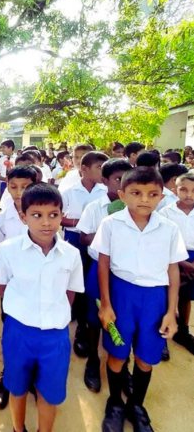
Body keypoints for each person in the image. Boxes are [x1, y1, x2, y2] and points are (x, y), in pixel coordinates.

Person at [91, 167, 186, 432]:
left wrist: (171, 310)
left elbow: (172, 269)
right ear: (122, 194)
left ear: (162, 196)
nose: (144, 199)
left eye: (153, 194)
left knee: (146, 357)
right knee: (117, 353)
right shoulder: (111, 224)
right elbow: (103, 264)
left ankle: (136, 404)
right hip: (121, 294)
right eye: (136, 193)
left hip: (155, 298)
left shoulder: (168, 228)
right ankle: (115, 403)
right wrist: (107, 304)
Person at [0, 183, 84, 432]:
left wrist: (53, 311)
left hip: (55, 335)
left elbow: (70, 292)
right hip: (18, 332)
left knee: (50, 392)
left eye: (54, 215)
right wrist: (23, 305)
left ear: (62, 216)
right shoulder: (9, 250)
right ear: (23, 217)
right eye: (37, 215)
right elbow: (0, 284)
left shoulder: (71, 255)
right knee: (17, 387)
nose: (46, 223)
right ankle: (18, 428)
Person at [76, 158, 132, 393]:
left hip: (126, 272)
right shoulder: (94, 207)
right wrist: (107, 235)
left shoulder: (136, 208)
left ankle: (123, 363)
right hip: (99, 266)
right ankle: (93, 360)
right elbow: (83, 237)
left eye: (127, 179)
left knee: (124, 317)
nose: (123, 184)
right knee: (94, 315)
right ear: (105, 180)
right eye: (118, 179)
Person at [0, 166, 38, 410]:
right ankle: (9, 376)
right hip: (11, 288)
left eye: (25, 187)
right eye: (13, 186)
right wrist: (4, 290)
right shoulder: (2, 218)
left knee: (36, 329)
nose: (19, 193)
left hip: (39, 288)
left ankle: (34, 376)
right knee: (12, 330)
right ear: (6, 186)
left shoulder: (43, 214)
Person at [61, 151, 108, 358]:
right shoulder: (69, 191)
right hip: (76, 241)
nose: (102, 172)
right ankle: (81, 326)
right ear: (84, 168)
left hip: (100, 244)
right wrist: (81, 223)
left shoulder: (105, 192)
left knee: (96, 283)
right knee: (77, 283)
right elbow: (58, 218)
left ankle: (95, 321)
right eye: (99, 167)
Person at [159, 173, 194, 355]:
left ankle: (183, 330)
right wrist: (183, 263)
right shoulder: (165, 212)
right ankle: (163, 334)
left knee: (187, 296)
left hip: (193, 259)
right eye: (184, 190)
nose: (189, 195)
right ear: (175, 191)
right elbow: (163, 241)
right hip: (171, 258)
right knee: (167, 294)